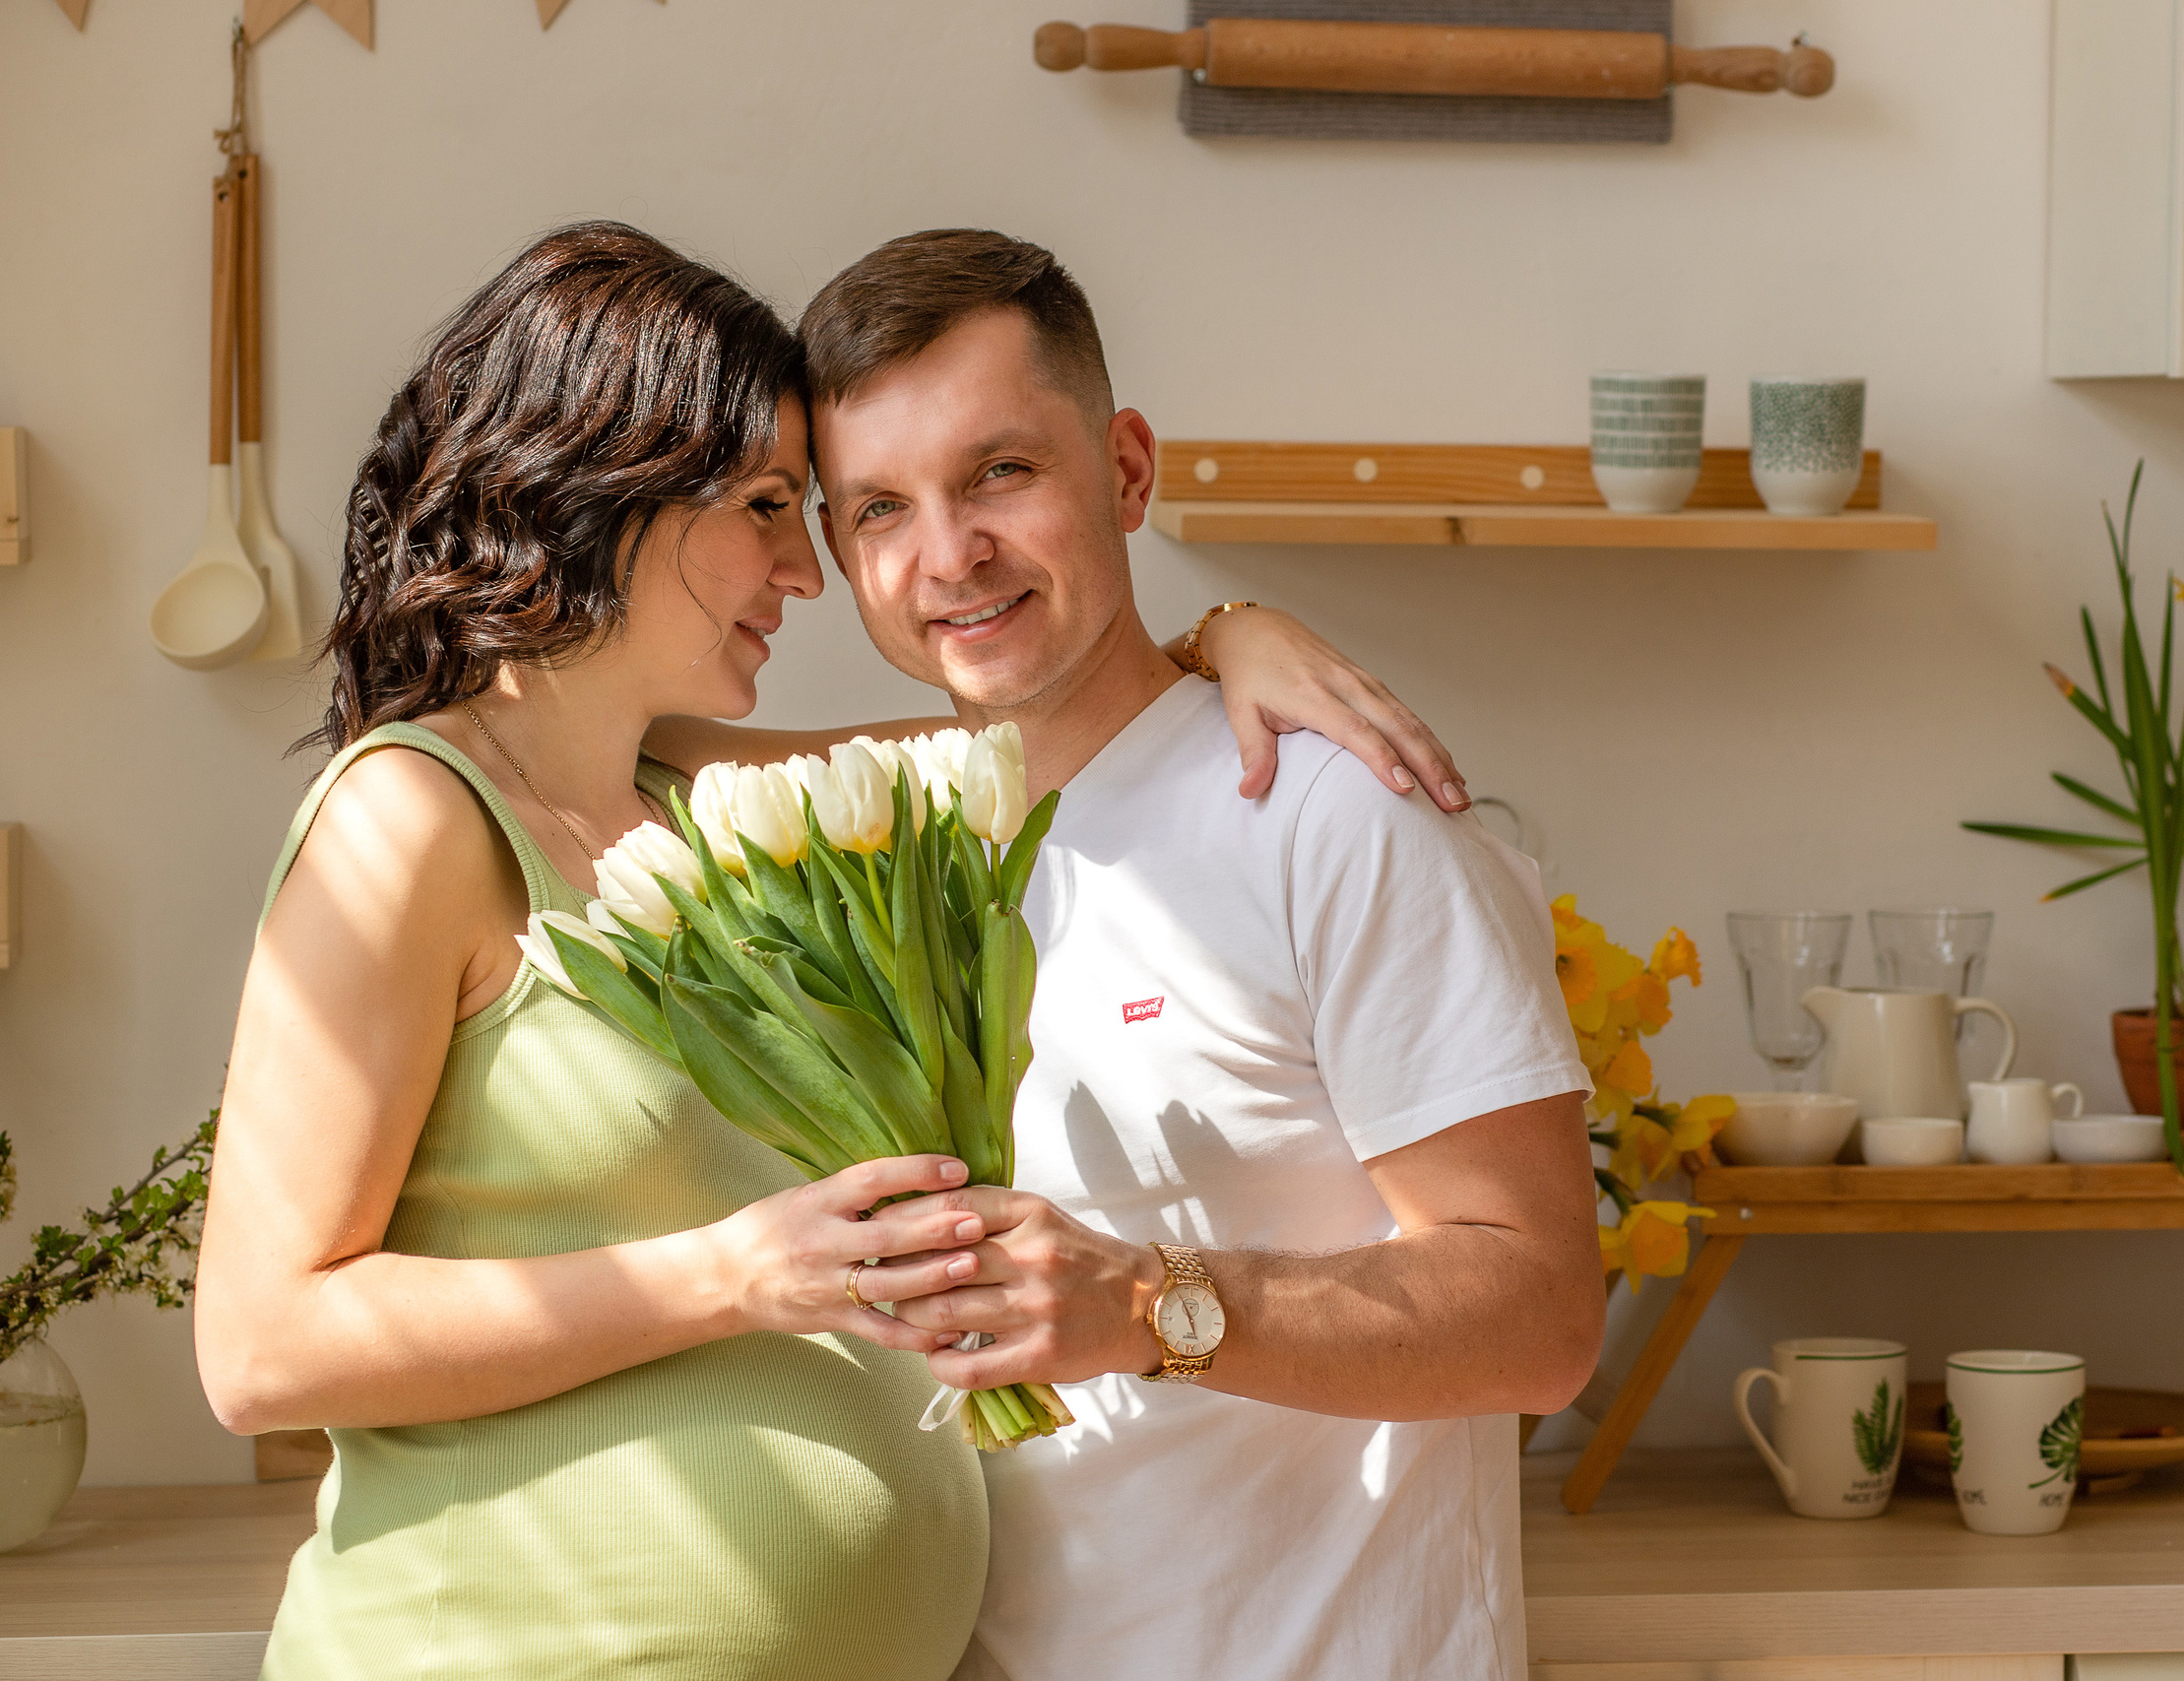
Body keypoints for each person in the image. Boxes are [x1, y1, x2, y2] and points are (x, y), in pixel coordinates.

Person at [192, 222, 1470, 1681]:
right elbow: (259, 1348)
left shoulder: (707, 813)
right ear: (610, 485)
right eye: (764, 504)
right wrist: (735, 1275)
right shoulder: (408, 822)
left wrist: (1228, 634)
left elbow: (1037, 710)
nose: (804, 571)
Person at [799, 229, 1601, 1681]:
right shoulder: (881, 859)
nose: (949, 553)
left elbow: (1540, 1311)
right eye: (881, 509)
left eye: (1001, 472)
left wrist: (1142, 1305)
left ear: (1125, 469)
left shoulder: (1335, 814)